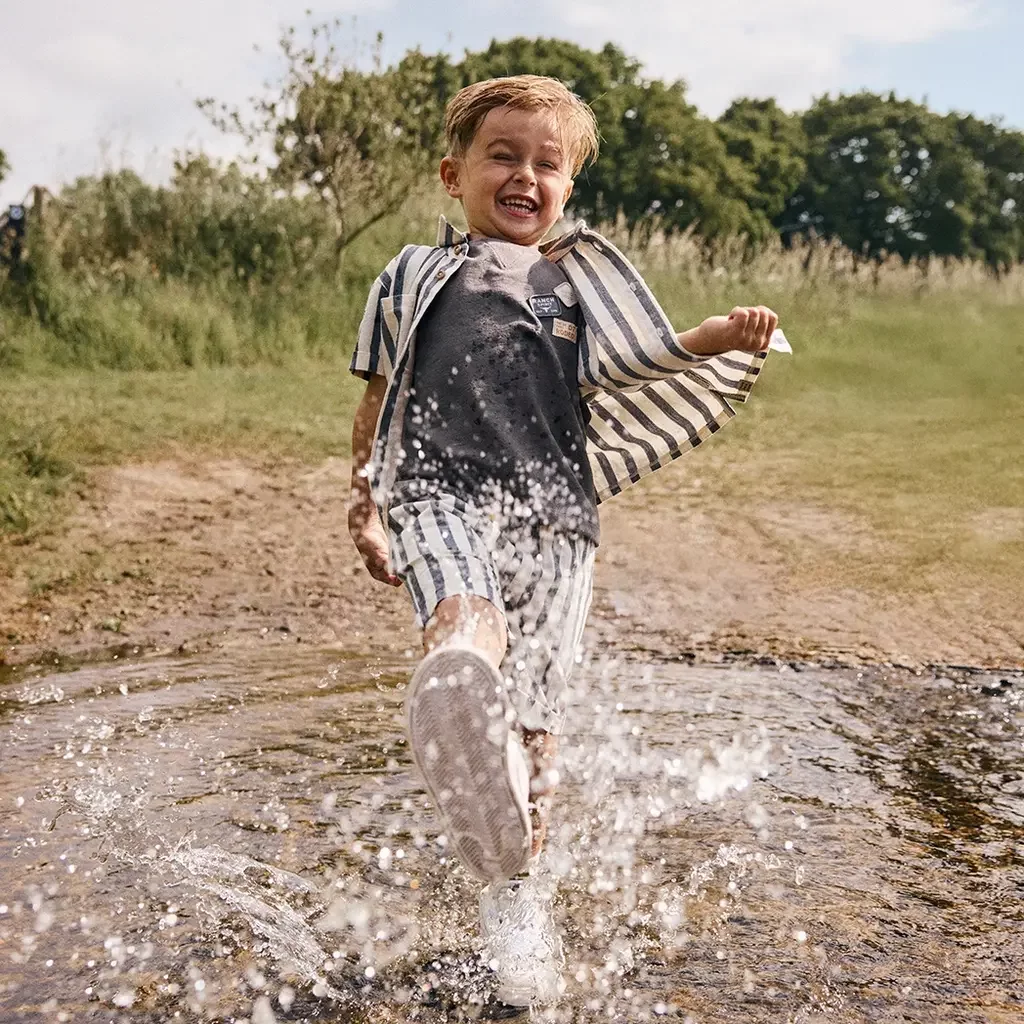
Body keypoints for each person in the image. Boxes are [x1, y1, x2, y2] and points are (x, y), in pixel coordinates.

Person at [347, 74, 779, 1008]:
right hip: (436, 491)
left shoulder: (577, 285)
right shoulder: (412, 277)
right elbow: (377, 400)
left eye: (548, 164)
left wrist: (718, 334)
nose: (524, 176)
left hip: (557, 521)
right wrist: (365, 504)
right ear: (452, 174)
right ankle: (461, 679)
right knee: (466, 619)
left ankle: (516, 893)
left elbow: (646, 356)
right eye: (502, 156)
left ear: (568, 188)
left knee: (537, 726)